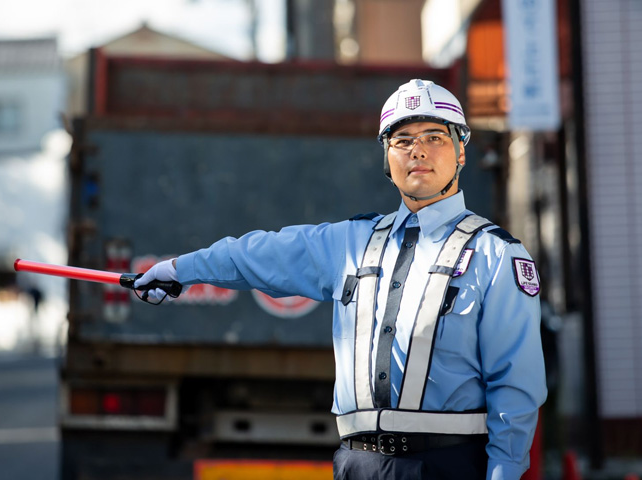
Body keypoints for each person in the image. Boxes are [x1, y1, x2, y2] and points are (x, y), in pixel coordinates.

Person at [135, 79, 547, 480]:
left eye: (434, 136)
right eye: (402, 140)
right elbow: (257, 254)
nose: (417, 150)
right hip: (356, 466)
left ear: (460, 151)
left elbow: (516, 382)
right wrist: (178, 270)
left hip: (450, 465)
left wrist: (504, 471)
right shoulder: (350, 242)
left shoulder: (497, 255)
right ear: (387, 157)